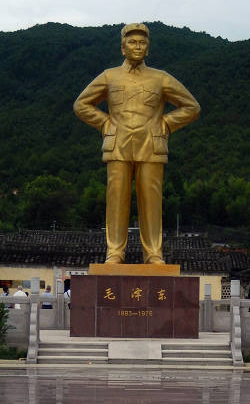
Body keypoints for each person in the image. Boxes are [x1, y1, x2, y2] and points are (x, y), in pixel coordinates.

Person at [74, 22, 200, 265]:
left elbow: (192, 107)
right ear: (123, 48)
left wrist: (166, 124)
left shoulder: (160, 78)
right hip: (118, 146)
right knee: (116, 199)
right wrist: (105, 123)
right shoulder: (109, 76)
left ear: (148, 48)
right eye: (132, 42)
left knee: (152, 201)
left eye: (142, 42)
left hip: (151, 145)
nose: (138, 46)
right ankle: (114, 252)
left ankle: (153, 253)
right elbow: (81, 105)